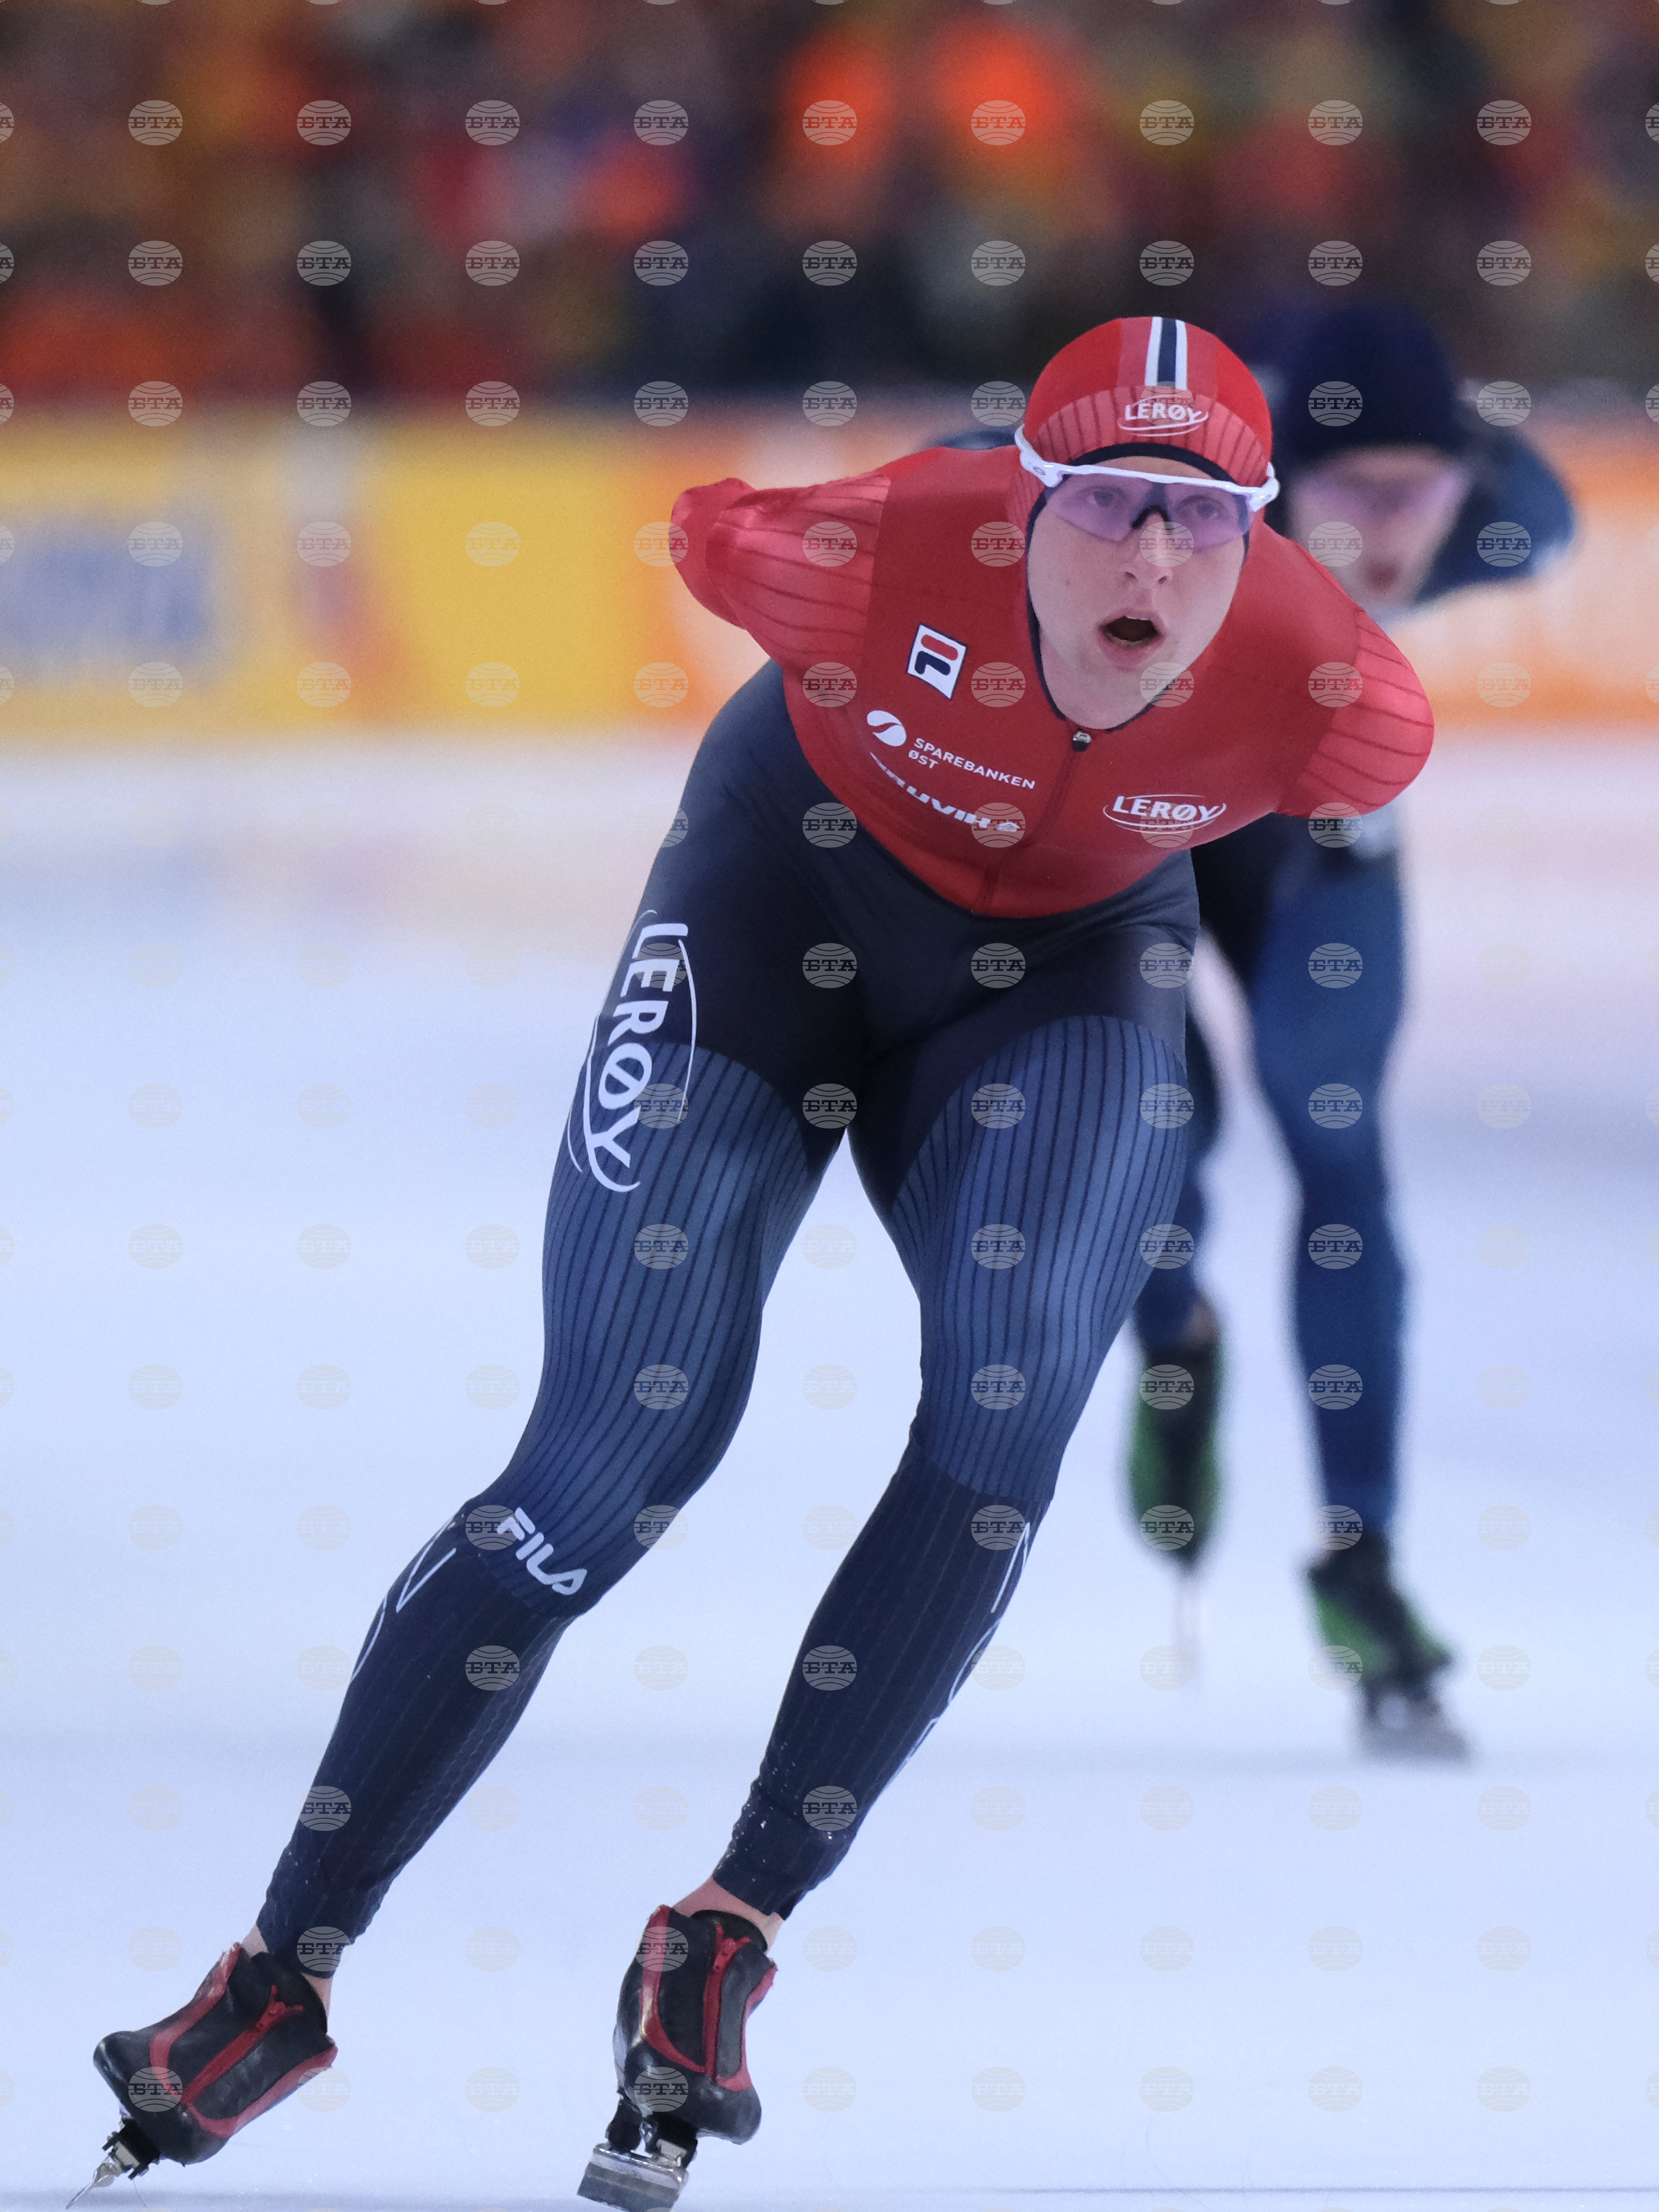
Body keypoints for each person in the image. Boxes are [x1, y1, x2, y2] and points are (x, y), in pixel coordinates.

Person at [86, 317, 1432, 2212]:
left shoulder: (1338, 694)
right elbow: (700, 524)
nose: (1149, 562)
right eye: (1109, 508)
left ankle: (725, 1926)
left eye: (1202, 522)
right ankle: (278, 1969)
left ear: (1262, 535)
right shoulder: (848, 552)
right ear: (1021, 500)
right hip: (772, 891)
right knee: (600, 1472)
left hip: (1056, 985)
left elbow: (1330, 893)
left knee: (1001, 1421)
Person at [1121, 300, 1573, 1759]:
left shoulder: (1507, 517)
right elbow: (981, 471)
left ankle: (1360, 1554)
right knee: (1148, 1155)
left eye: (1418, 492)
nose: (1390, 532)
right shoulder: (1173, 500)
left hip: (1312, 832)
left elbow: (1505, 489)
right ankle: (1174, 1332)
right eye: (1352, 497)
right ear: (1271, 489)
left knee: (1340, 1152)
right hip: (1127, 835)